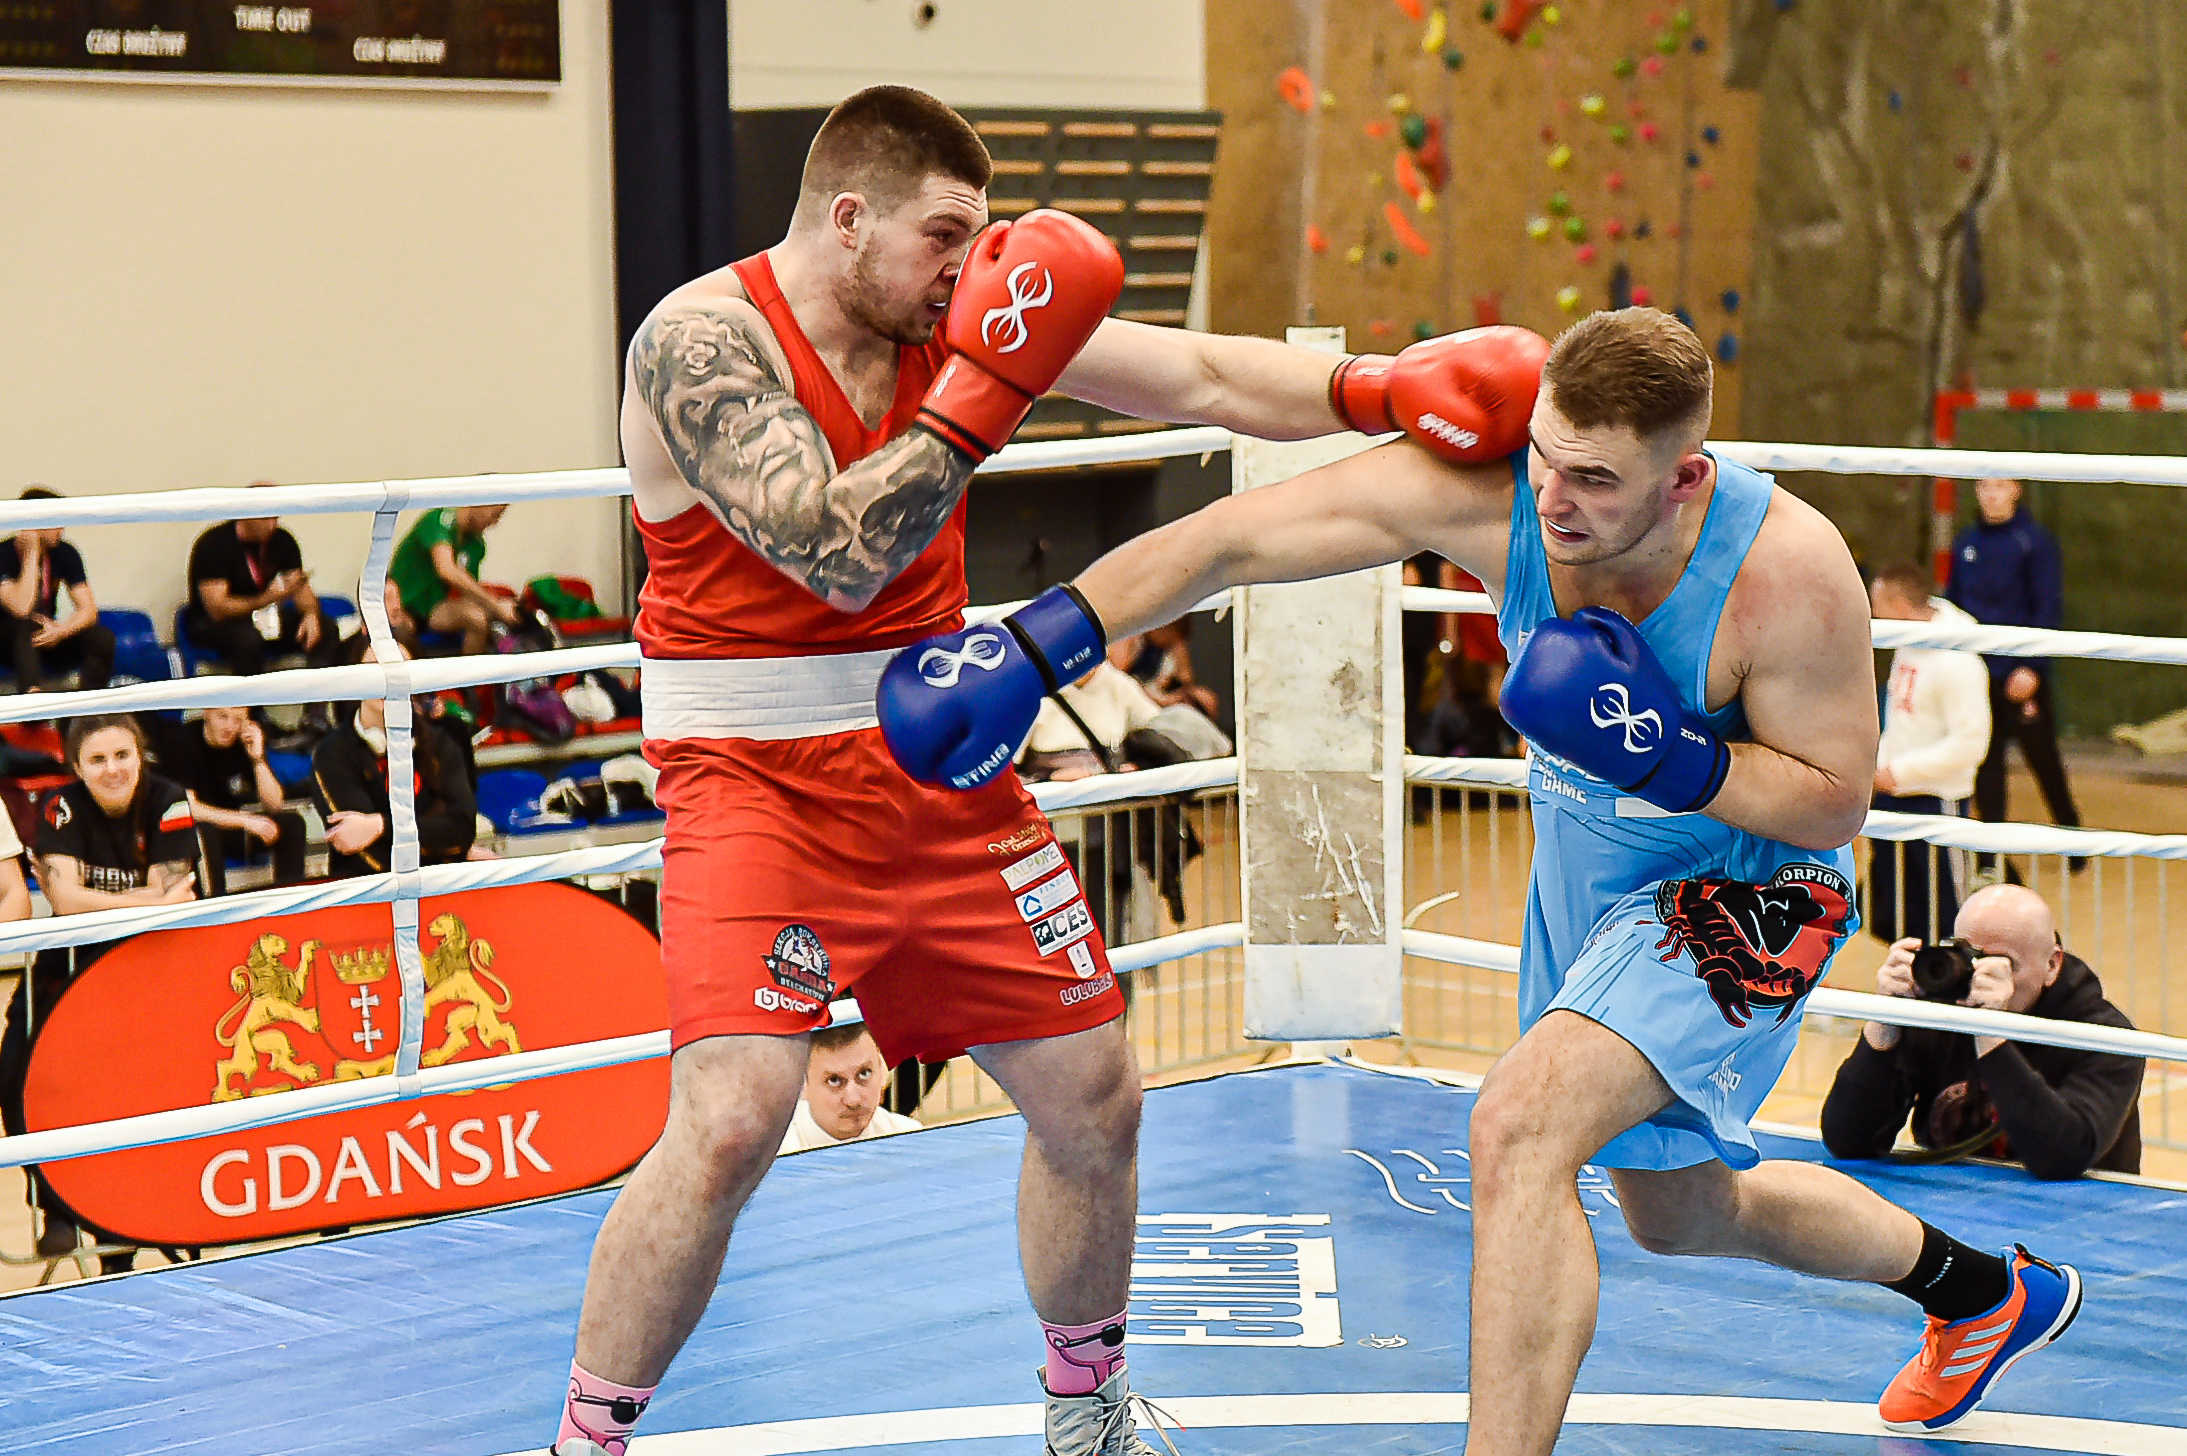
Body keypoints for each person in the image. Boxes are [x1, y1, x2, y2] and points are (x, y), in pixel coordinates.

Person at [882, 309, 2084, 1449]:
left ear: (1684, 478)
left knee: (1517, 1126)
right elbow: (1232, 538)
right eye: (1548, 458)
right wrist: (1038, 644)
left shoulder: (1786, 569)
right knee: (1681, 1213)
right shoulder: (1505, 492)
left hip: (1749, 887)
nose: (1553, 499)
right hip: (1591, 875)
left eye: (1595, 479)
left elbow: (1833, 798)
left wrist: (1675, 753)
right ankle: (1982, 1292)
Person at [555, 83, 1366, 1456]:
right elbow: (833, 549)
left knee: (1094, 1094)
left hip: (937, 766)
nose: (964, 267)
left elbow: (1206, 377)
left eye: (978, 240)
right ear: (848, 217)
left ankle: (1085, 1408)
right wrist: (986, 392)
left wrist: (1388, 390)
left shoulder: (950, 316)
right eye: (943, 235)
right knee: (733, 1120)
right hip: (753, 783)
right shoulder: (700, 339)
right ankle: (588, 1440)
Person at [17, 713, 198, 1269]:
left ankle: (164, 1216)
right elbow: (65, 903)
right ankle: (57, 1208)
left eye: (122, 755)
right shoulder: (61, 806)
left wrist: (128, 902)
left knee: (151, 1084)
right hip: (71, 965)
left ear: (140, 755)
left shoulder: (169, 800)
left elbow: (177, 893)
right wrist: (150, 900)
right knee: (17, 1066)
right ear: (77, 767)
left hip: (150, 966)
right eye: (97, 760)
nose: (113, 769)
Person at [1821, 884, 2142, 1179]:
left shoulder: (2106, 1037)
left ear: (2052, 964)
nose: (1980, 977)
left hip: (2079, 1213)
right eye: (1969, 957)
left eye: (2004, 964)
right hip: (1946, 1199)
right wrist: (1883, 1028)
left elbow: (2062, 1157)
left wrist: (1989, 1034)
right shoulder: (1939, 1010)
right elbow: (1848, 1142)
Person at [1946, 477, 2083, 861]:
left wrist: (2032, 667)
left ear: (2016, 490)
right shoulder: (1966, 542)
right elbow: (1954, 604)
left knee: (2043, 759)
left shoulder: (2034, 542)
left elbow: (2047, 606)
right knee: (1985, 762)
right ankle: (1991, 856)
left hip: (2021, 674)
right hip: (1976, 673)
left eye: (2000, 486)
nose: (1991, 494)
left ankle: (2075, 841)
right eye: (1984, 486)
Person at [1867, 563, 1991, 944]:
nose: (1873, 614)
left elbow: (1971, 742)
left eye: (1877, 605)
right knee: (1897, 918)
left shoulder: (1957, 659)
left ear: (1899, 606)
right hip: (1893, 796)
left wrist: (1901, 772)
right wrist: (1880, 767)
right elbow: (1900, 719)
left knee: (1948, 921)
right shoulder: (1907, 641)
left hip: (1936, 800)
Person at [311, 644, 478, 877]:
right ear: (356, 678)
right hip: (367, 887)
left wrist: (380, 826)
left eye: (398, 670)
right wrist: (442, 846)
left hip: (438, 884)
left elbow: (462, 830)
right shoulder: (332, 753)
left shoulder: (440, 743)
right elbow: (359, 846)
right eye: (375, 668)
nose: (387, 680)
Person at [181, 493, 340, 675]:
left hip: (263, 618)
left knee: (326, 626)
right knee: (247, 639)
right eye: (266, 518)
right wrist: (267, 598)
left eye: (275, 518)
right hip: (213, 624)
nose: (272, 525)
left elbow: (300, 588)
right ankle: (250, 694)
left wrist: (310, 615)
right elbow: (217, 609)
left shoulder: (282, 540)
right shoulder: (214, 544)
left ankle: (317, 690)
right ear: (247, 515)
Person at [166, 704, 309, 889]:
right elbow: (188, 808)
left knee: (292, 823)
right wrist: (246, 821)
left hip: (232, 827)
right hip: (194, 829)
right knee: (204, 832)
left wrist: (258, 759)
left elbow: (275, 804)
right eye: (223, 717)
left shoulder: (242, 741)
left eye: (238, 720)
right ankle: (217, 900)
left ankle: (290, 894)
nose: (229, 727)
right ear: (207, 712)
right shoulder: (181, 741)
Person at [0, 487, 115, 692]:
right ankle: (34, 702)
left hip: (48, 635)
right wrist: (32, 553)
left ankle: (90, 703)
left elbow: (89, 611)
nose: (61, 528)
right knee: (24, 628)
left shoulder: (65, 552)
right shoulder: (3, 554)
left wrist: (61, 631)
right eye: (55, 521)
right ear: (31, 523)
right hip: (8, 642)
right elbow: (21, 608)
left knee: (102, 637)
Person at [386, 504, 517, 655]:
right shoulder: (439, 520)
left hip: (435, 608)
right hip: (405, 605)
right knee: (476, 617)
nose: (494, 523)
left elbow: (468, 590)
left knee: (481, 615)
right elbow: (447, 570)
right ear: (480, 503)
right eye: (495, 515)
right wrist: (496, 605)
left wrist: (502, 607)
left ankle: (480, 669)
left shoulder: (475, 544)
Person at [776, 1022, 922, 1154]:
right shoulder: (772, 1157)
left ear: (881, 1068)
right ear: (801, 1084)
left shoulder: (911, 1141)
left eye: (864, 1073)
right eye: (834, 1080)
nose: (853, 1100)